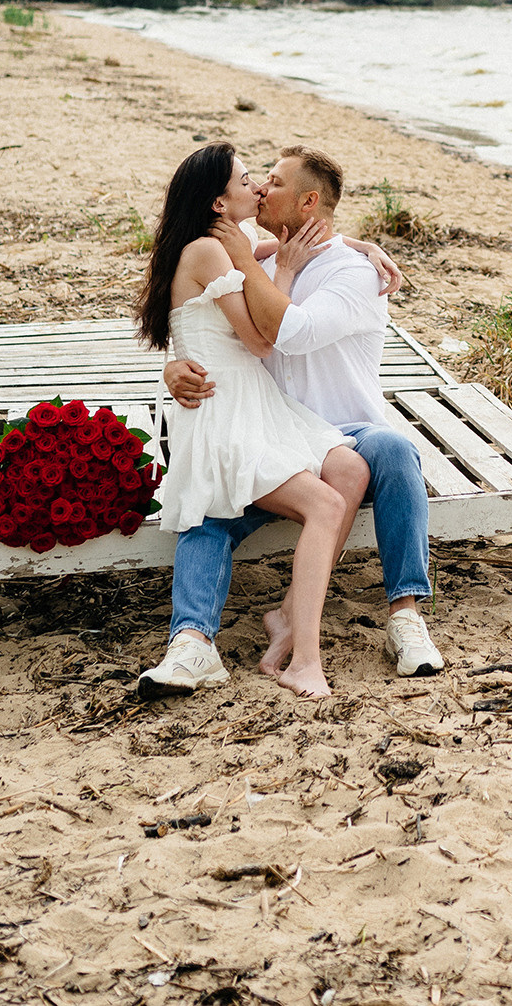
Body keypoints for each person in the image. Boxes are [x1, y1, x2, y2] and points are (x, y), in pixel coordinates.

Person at [140, 145, 444, 699]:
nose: (259, 189)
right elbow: (217, 326)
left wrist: (350, 245)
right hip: (258, 421)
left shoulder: (350, 273)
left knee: (393, 454)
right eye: (253, 179)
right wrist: (172, 367)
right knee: (208, 513)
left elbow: (288, 331)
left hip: (335, 426)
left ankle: (404, 613)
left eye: (270, 182)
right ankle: (192, 642)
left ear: (307, 203)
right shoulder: (242, 252)